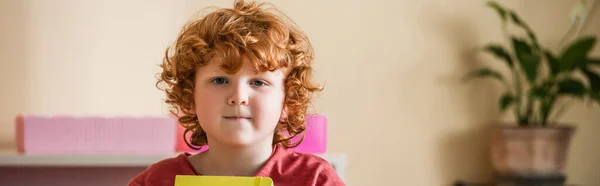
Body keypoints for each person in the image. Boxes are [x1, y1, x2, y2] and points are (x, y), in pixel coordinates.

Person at [128, 0, 344, 185]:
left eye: (258, 82)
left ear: (287, 101)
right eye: (220, 80)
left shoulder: (316, 179)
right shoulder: (154, 181)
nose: (238, 97)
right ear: (188, 98)